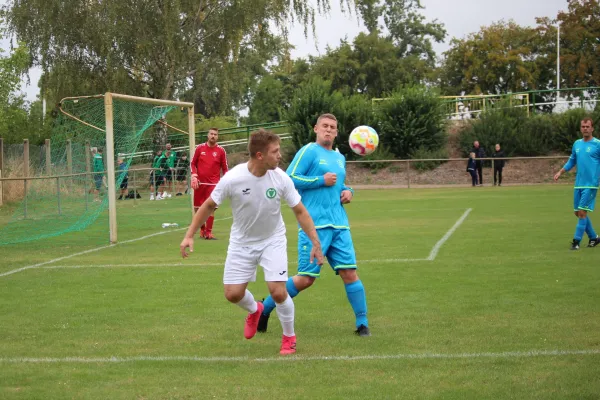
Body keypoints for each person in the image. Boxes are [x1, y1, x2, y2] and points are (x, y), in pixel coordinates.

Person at [180, 129, 324, 355]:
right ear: (259, 155)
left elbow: (300, 211)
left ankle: (289, 337)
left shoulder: (281, 177)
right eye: (275, 152)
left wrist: (316, 243)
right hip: (241, 243)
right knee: (233, 294)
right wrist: (189, 235)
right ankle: (254, 308)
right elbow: (208, 205)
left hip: (272, 240)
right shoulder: (234, 178)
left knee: (277, 292)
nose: (280, 156)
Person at [258, 113, 371, 337]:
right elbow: (289, 178)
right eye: (325, 126)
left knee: (350, 273)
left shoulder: (339, 158)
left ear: (337, 132)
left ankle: (362, 324)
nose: (328, 130)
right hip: (314, 226)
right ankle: (265, 307)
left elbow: (338, 184)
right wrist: (320, 180)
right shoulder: (309, 151)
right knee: (306, 279)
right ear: (316, 129)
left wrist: (349, 191)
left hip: (339, 225)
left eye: (332, 127)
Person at [553, 117, 600, 250]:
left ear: (592, 128)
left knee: (582, 213)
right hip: (579, 184)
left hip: (591, 184)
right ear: (581, 128)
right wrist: (560, 172)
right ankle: (594, 237)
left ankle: (576, 242)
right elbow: (572, 161)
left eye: (587, 126)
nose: (585, 129)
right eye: (583, 126)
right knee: (578, 213)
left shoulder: (597, 144)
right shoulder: (577, 144)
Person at [191, 127, 228, 240]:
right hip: (200, 183)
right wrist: (194, 175)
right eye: (211, 134)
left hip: (213, 185)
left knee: (210, 207)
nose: (213, 136)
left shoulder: (221, 151)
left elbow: (224, 167)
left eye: (215, 134)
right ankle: (202, 230)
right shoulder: (200, 148)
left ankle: (208, 232)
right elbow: (193, 164)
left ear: (217, 136)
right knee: (198, 209)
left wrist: (226, 180)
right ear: (208, 135)